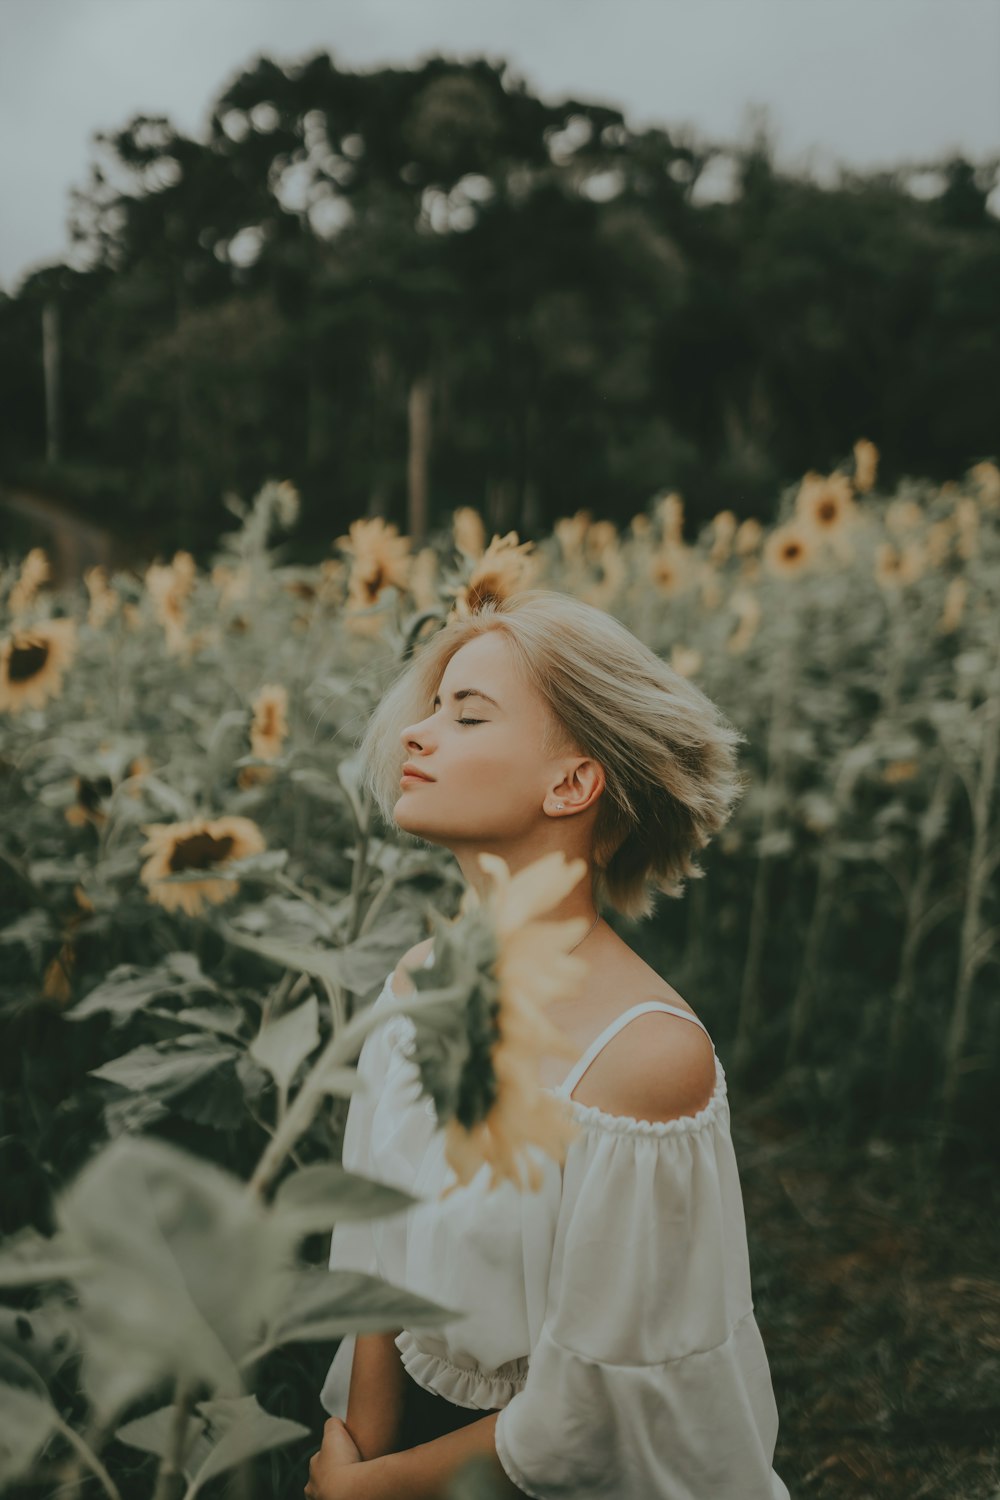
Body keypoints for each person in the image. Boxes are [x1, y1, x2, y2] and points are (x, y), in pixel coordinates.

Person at [309, 588, 790, 1499]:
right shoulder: (417, 980)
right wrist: (360, 1443)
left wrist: (367, 1491)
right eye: (431, 708)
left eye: (467, 713)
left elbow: (595, 1409)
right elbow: (375, 1248)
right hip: (406, 1442)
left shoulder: (644, 1060)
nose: (418, 733)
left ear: (572, 783)